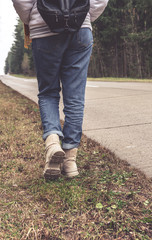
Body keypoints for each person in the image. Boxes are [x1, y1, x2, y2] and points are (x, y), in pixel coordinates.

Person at [12, 0, 109, 180]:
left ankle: (53, 143)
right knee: (75, 97)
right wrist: (83, 15)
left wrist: (35, 15)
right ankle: (70, 160)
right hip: (80, 29)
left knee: (48, 92)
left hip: (43, 29)